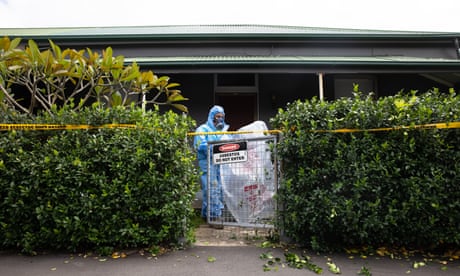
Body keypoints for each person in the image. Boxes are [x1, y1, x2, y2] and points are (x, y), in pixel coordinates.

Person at [193, 105, 229, 220]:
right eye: (217, 116)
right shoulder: (202, 129)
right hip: (208, 163)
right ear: (212, 117)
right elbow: (201, 146)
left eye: (222, 117)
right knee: (211, 189)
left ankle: (207, 214)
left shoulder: (222, 131)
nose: (220, 119)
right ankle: (214, 217)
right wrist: (216, 148)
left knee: (220, 189)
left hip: (220, 164)